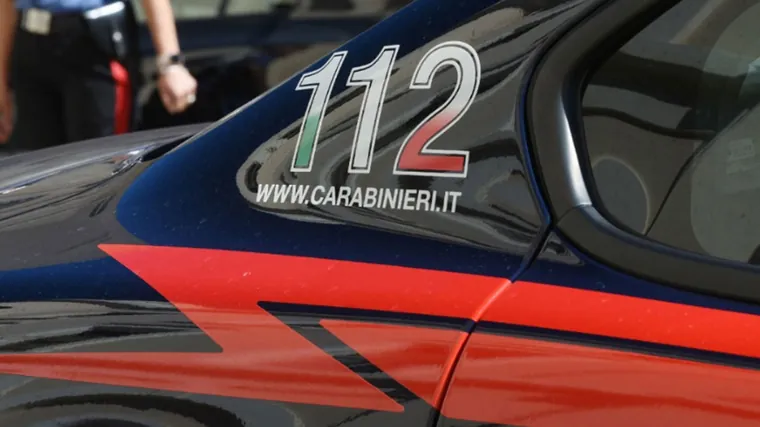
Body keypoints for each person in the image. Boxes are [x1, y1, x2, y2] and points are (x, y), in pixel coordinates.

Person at [0, 0, 197, 151]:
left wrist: (171, 63)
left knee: (101, 164)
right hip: (29, 43)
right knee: (35, 170)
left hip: (94, 45)